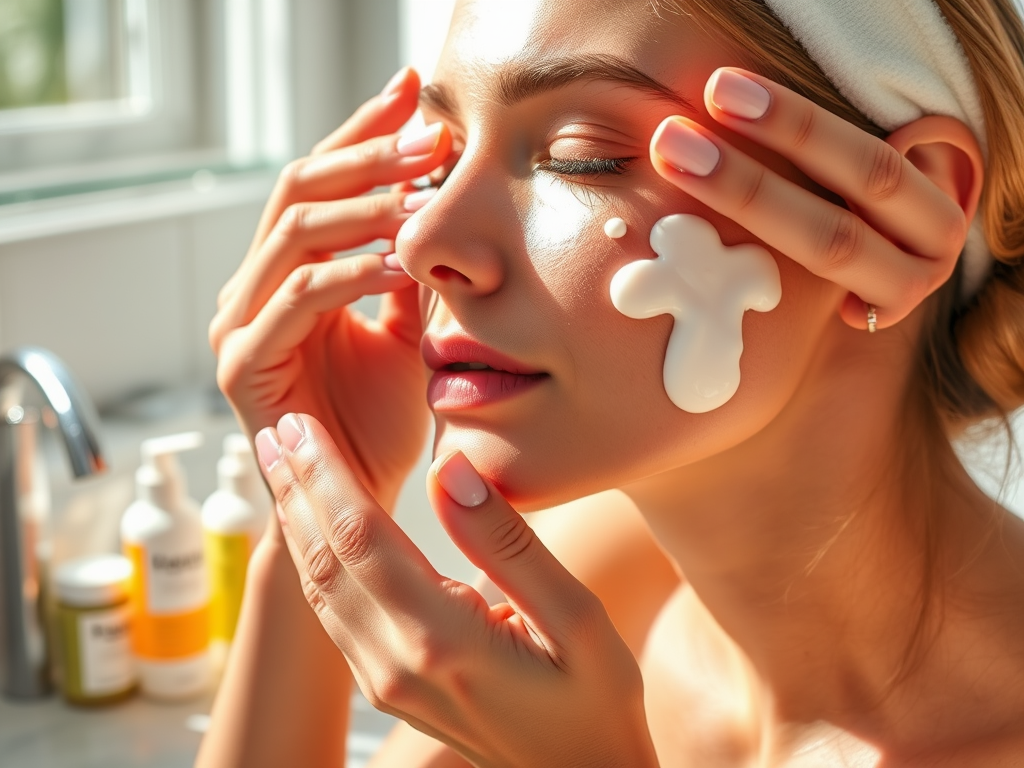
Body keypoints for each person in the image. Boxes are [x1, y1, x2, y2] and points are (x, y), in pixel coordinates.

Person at [197, 0, 1024, 765]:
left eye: (580, 156)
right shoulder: (602, 583)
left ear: (900, 210)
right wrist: (311, 506)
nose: (424, 241)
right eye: (441, 159)